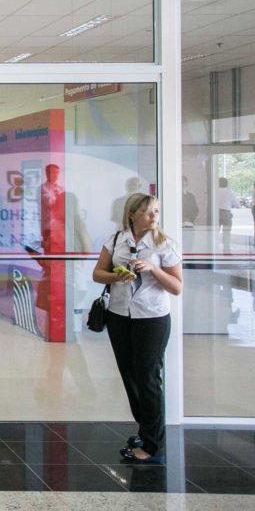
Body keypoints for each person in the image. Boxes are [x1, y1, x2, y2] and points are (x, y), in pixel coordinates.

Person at [92, 193, 182, 464]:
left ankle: (153, 446)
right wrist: (117, 276)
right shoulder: (116, 240)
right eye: (147, 212)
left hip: (152, 317)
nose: (154, 216)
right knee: (130, 376)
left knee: (148, 378)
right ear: (132, 215)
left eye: (156, 211)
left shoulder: (165, 244)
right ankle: (146, 431)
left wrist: (153, 269)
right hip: (119, 315)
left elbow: (176, 287)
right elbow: (98, 274)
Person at [216, 177, 239, 253]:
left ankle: (214, 249)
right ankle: (226, 250)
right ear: (227, 184)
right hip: (226, 213)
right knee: (226, 233)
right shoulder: (230, 192)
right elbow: (236, 204)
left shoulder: (215, 191)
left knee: (215, 232)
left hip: (216, 213)